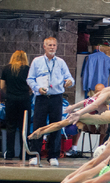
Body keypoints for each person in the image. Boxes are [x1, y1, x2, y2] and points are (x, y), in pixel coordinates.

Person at [26, 36, 75, 166]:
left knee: (56, 126)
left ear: (56, 46)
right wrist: (37, 88)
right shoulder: (37, 61)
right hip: (41, 97)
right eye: (49, 45)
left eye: (54, 45)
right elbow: (30, 79)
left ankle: (53, 156)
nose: (52, 47)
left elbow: (70, 79)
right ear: (44, 46)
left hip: (56, 98)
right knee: (38, 125)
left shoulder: (61, 62)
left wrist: (69, 82)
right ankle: (35, 154)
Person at [0, 50, 31, 159]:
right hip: (24, 100)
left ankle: (9, 153)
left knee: (10, 127)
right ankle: (25, 154)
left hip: (11, 100)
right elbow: (31, 85)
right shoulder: (28, 69)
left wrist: (9, 92)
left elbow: (2, 86)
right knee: (24, 127)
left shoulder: (6, 68)